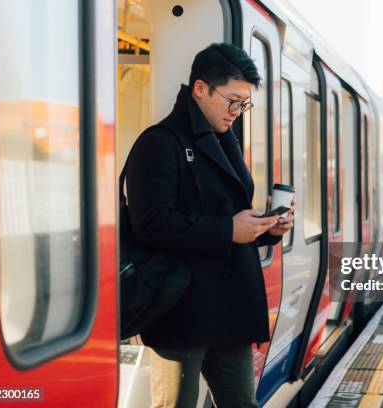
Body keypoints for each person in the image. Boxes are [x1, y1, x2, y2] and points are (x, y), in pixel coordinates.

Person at [125, 43, 295, 407]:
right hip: (181, 310)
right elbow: (150, 223)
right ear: (200, 88)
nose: (238, 111)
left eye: (243, 103)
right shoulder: (159, 143)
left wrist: (267, 229)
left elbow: (229, 216)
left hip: (229, 308)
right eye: (232, 100)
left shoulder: (225, 141)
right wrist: (227, 230)